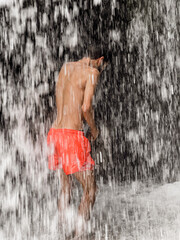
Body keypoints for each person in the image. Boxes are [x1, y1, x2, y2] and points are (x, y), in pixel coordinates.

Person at [47, 46, 107, 236]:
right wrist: (95, 130)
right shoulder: (92, 72)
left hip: (55, 134)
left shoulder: (66, 68)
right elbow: (86, 107)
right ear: (100, 60)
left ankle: (59, 233)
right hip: (72, 136)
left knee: (66, 188)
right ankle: (79, 237)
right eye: (103, 67)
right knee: (90, 190)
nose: (101, 72)